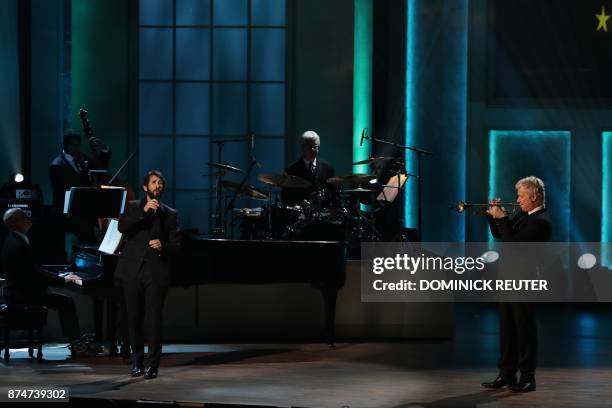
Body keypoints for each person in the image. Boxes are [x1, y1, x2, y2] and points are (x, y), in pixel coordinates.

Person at [482, 176, 552, 393]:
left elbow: (514, 244)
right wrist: (494, 217)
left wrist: (503, 218)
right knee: (507, 329)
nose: (518, 199)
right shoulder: (523, 214)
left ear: (533, 196)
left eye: (521, 195)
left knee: (524, 330)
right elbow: (502, 234)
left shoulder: (541, 221)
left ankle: (528, 378)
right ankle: (506, 374)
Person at [115, 170, 180, 379]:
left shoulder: (170, 213)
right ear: (145, 187)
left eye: (160, 183)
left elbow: (177, 245)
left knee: (153, 319)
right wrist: (144, 212)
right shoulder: (133, 206)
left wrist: (164, 246)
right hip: (132, 269)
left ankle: (153, 364)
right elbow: (122, 227)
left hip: (155, 270)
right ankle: (136, 362)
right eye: (154, 182)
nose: (157, 185)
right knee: (133, 317)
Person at [0, 208, 85, 356]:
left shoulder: (14, 240)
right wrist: (63, 279)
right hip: (22, 295)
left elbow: (34, 271)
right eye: (24, 216)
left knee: (62, 301)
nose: (28, 217)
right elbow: (34, 276)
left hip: (18, 292)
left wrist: (59, 276)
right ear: (17, 222)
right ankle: (77, 345)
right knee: (66, 302)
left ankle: (75, 342)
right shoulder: (18, 244)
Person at [281, 130, 336, 206]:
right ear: (302, 147)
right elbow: (285, 198)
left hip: (324, 214)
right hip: (300, 215)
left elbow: (334, 194)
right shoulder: (291, 169)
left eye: (315, 146)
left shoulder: (328, 168)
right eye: (310, 146)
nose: (313, 149)